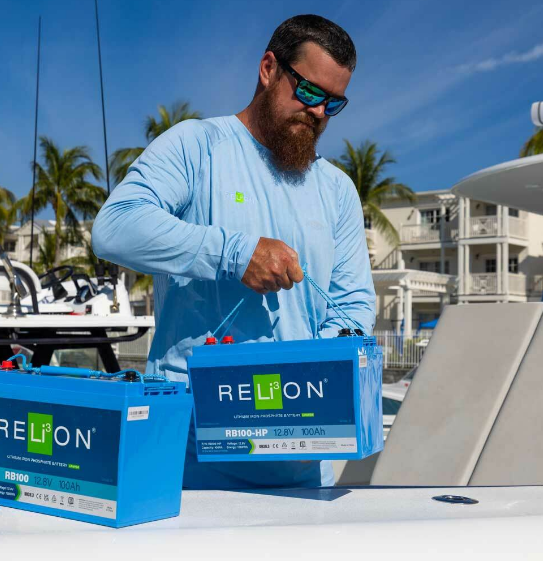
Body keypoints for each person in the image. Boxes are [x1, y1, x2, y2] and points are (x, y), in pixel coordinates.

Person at [92, 14, 375, 489]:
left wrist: (306, 392)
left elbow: (353, 304)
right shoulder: (196, 145)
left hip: (303, 469)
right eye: (309, 92)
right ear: (269, 69)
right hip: (189, 464)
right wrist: (234, 253)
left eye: (334, 103)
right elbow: (115, 227)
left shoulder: (338, 189)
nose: (319, 112)